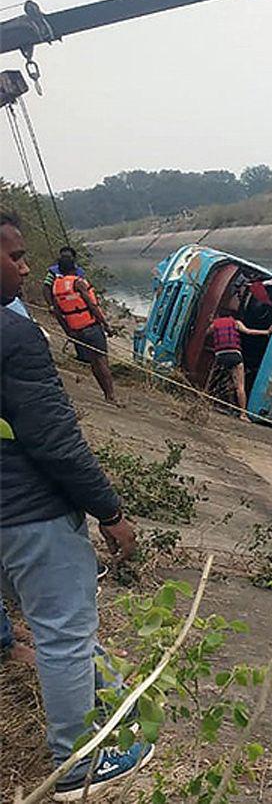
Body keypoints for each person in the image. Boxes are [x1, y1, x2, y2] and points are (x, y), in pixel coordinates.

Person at [1, 210, 153, 800]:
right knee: (64, 633)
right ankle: (79, 766)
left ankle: (102, 706)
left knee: (53, 625)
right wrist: (111, 513)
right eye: (14, 255)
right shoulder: (15, 337)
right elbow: (56, 441)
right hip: (30, 512)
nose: (25, 264)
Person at [47, 249, 117, 405]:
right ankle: (111, 395)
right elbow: (92, 305)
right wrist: (106, 325)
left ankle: (106, 395)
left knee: (93, 362)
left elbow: (58, 313)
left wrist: (68, 331)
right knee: (102, 361)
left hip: (76, 331)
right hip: (92, 327)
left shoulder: (56, 287)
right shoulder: (78, 282)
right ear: (74, 267)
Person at [206, 301, 272, 423]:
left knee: (212, 380)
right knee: (240, 386)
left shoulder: (215, 324)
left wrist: (211, 322)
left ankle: (204, 399)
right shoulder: (236, 323)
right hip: (235, 355)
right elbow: (249, 332)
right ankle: (243, 414)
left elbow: (206, 334)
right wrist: (267, 332)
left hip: (220, 355)